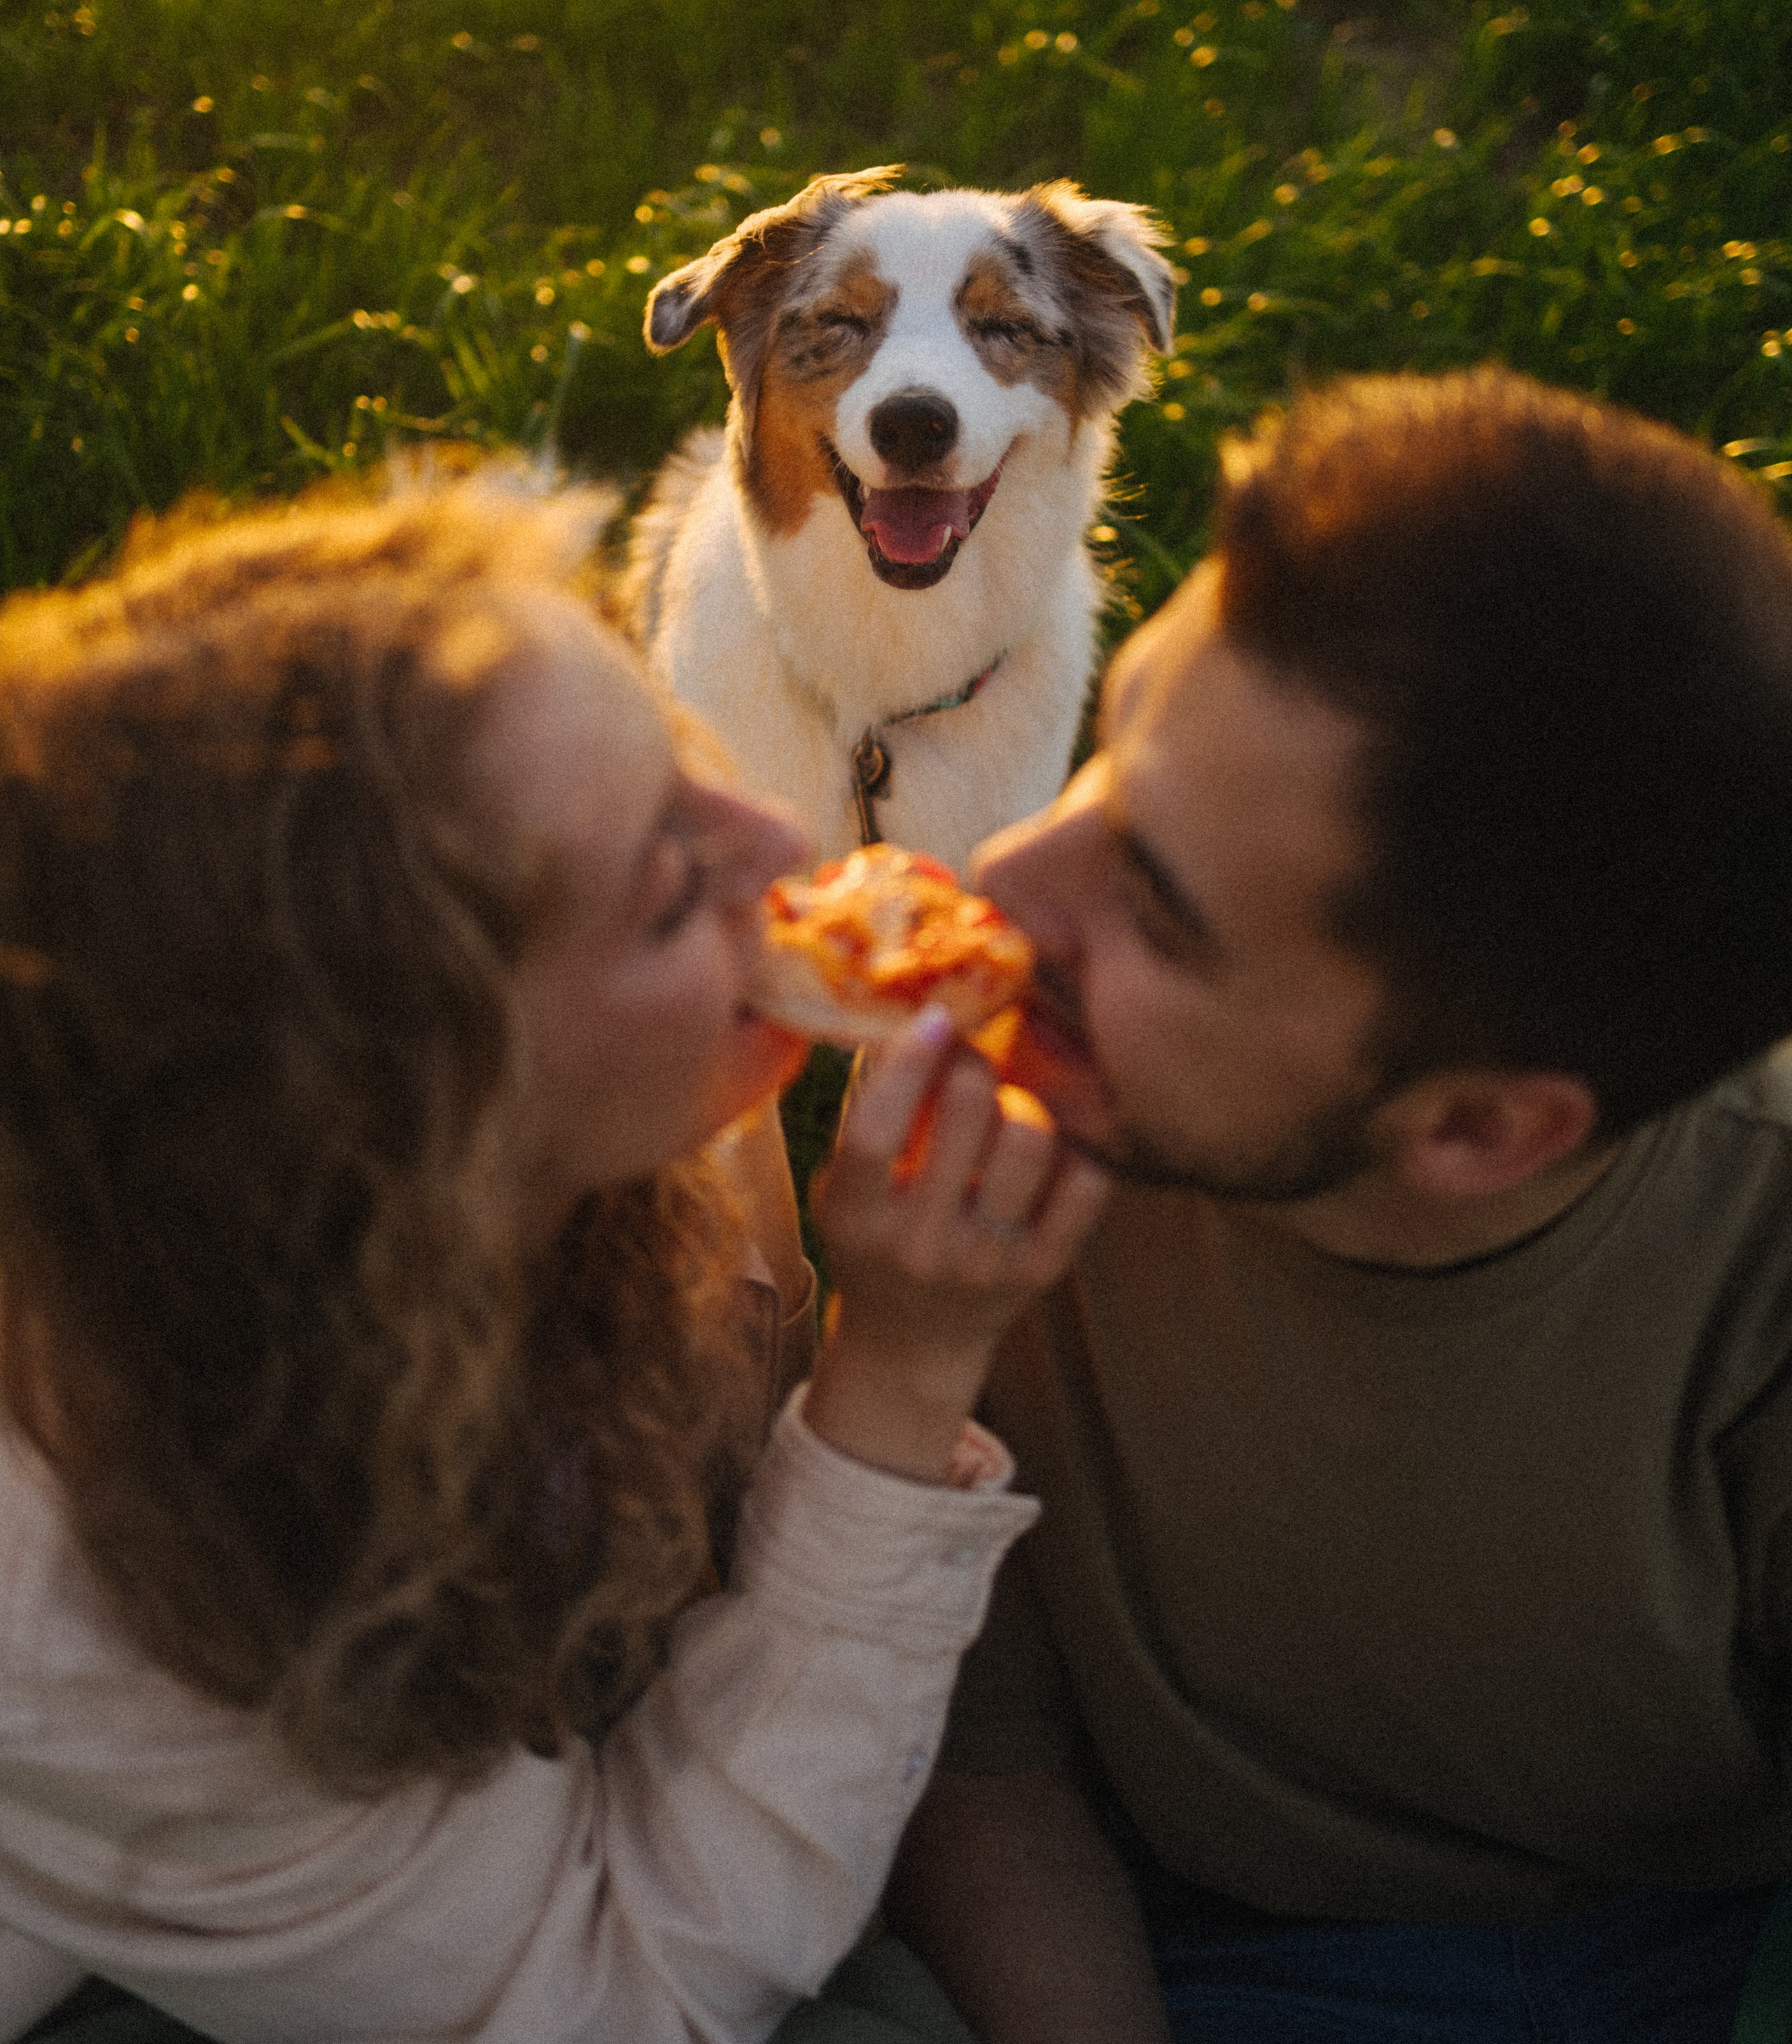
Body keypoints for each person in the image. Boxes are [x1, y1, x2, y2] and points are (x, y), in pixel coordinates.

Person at [0, 471, 1110, 2044]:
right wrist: (902, 1377)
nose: (779, 837)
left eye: (672, 751)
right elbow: (613, 1995)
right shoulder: (89, 1613)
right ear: (432, 1124)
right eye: (666, 884)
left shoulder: (628, 1090)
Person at [886, 366, 1792, 2044]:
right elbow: (981, 1751)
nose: (1004, 881)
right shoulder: (1024, 1147)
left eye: (1153, 905)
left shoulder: (1752, 1273)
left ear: (1468, 1129)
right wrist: (892, 1346)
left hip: (1675, 1946)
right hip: (1126, 1919)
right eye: (1102, 751)